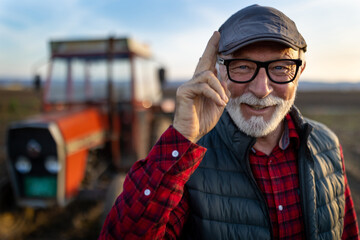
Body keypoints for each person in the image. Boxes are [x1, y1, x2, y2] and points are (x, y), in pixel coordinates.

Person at [99, 4, 359, 239]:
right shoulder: (186, 165)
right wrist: (182, 137)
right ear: (218, 70)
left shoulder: (326, 144)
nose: (261, 89)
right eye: (243, 67)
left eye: (281, 67)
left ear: (299, 71)